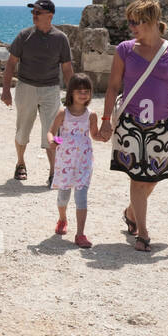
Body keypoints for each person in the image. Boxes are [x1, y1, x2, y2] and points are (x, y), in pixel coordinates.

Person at [98, 0, 168, 252]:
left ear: (150, 21)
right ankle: (143, 233)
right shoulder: (125, 50)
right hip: (131, 124)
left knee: (155, 176)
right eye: (129, 22)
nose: (131, 27)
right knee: (137, 178)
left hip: (161, 125)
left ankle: (131, 212)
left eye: (135, 22)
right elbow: (113, 86)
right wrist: (106, 120)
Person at [1, 0, 73, 184]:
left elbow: (67, 68)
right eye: (33, 12)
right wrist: (6, 90)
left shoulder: (60, 38)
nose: (34, 15)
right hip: (26, 88)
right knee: (22, 130)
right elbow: (10, 64)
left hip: (51, 90)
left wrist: (73, 96)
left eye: (38, 12)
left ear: (49, 16)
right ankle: (20, 163)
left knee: (53, 133)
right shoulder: (24, 36)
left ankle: (53, 172)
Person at [46, 72, 100, 247]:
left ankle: (80, 234)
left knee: (81, 197)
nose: (83, 94)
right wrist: (53, 141)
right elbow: (51, 132)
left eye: (86, 91)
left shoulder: (91, 115)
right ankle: (62, 219)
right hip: (64, 162)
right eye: (79, 91)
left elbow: (95, 135)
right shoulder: (63, 113)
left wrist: (106, 133)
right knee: (63, 197)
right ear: (71, 93)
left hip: (84, 162)